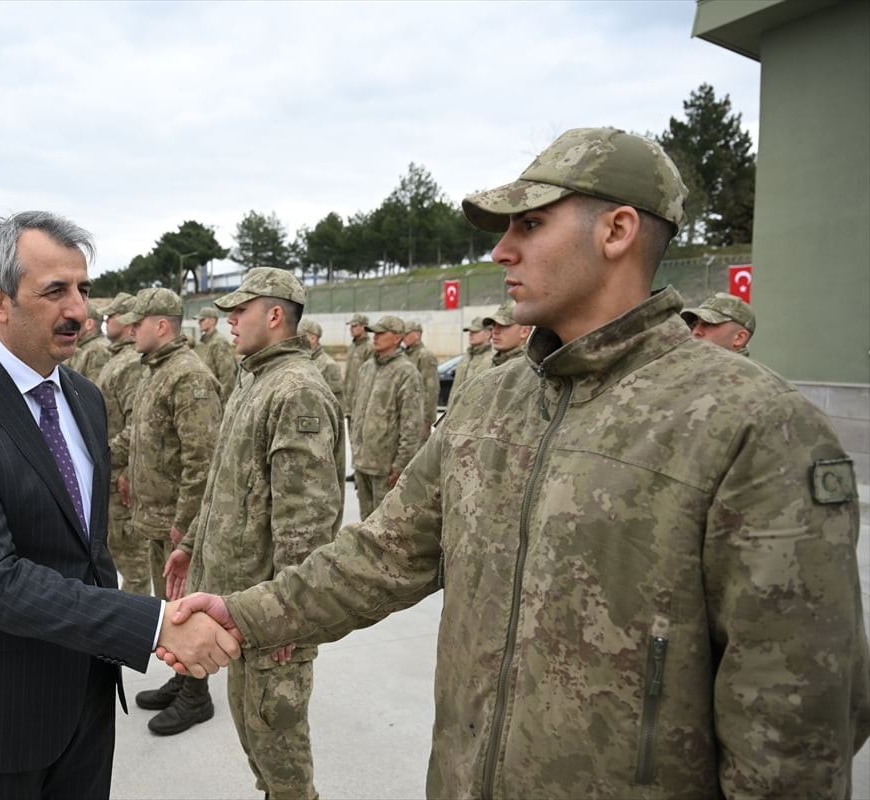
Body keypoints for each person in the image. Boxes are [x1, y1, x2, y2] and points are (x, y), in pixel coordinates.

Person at [165, 128, 870, 798]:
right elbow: (381, 554)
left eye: (529, 225)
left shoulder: (751, 424)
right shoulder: (492, 402)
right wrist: (241, 613)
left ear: (617, 231)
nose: (502, 251)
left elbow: (793, 726)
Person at [0, 211, 239, 798]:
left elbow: (84, 551)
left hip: (85, 698)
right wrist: (154, 625)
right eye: (55, 291)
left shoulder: (82, 396)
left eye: (83, 289)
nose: (80, 310)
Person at [164, 268, 344, 800]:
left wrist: (290, 616)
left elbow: (307, 525)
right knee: (256, 742)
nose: (229, 322)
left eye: (239, 312)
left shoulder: (297, 392)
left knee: (281, 758)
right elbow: (224, 480)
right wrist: (190, 545)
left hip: (272, 614)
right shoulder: (256, 380)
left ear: (274, 316)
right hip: (243, 608)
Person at [115, 287, 222, 736]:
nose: (129, 330)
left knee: (186, 608)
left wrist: (187, 525)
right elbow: (139, 437)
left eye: (137, 323)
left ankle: (197, 696)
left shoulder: (188, 377)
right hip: (157, 517)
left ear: (162, 326)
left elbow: (203, 459)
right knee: (171, 606)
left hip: (178, 523)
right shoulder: (155, 371)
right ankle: (182, 680)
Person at [95, 292, 152, 597]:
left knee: (134, 565)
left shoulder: (130, 363)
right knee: (120, 555)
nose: (107, 320)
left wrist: (123, 469)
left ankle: (137, 636)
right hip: (111, 472)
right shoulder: (117, 358)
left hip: (120, 478)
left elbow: (137, 425)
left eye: (112, 315)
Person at [349, 315, 424, 520]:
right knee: (365, 522)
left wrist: (400, 466)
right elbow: (358, 413)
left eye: (382, 333)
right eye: (374, 333)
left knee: (384, 526)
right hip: (363, 462)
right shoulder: (366, 369)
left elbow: (412, 425)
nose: (376, 337)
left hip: (386, 467)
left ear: (397, 338)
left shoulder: (406, 372)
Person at [682, 292, 756, 355]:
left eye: (709, 324)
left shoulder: (744, 371)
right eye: (694, 324)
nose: (696, 332)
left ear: (739, 337)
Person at [299, 319, 343, 415]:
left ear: (313, 338)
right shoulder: (302, 361)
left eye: (300, 336)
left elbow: (336, 404)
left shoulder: (330, 365)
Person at [193, 307, 237, 403]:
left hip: (217, 400)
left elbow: (227, 376)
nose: (199, 323)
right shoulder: (206, 342)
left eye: (202, 320)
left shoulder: (219, 342)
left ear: (212, 321)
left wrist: (223, 403)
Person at [402, 320, 439, 433]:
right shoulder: (404, 355)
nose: (404, 337)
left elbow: (431, 389)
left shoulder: (425, 356)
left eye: (407, 333)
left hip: (419, 417)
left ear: (417, 334)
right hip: (405, 415)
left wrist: (426, 419)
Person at [64, 301, 109, 382]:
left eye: (74, 320)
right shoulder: (81, 346)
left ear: (89, 324)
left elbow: (93, 389)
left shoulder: (98, 350)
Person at [448, 317, 492, 400]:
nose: (470, 334)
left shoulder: (493, 359)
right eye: (470, 332)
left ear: (488, 334)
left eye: (475, 332)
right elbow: (455, 389)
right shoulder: (464, 359)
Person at [482, 300, 532, 368]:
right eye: (493, 325)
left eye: (503, 325)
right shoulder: (492, 363)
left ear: (525, 331)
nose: (494, 331)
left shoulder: (528, 368)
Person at [342, 312, 373, 418]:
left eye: (354, 326)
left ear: (364, 326)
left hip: (361, 400)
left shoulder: (369, 348)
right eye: (351, 326)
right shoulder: (353, 346)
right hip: (349, 401)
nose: (351, 329)